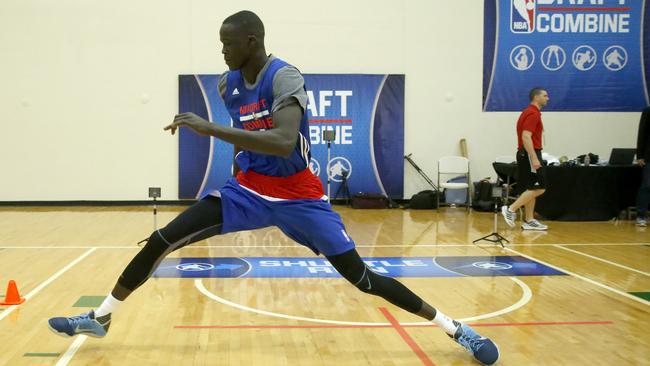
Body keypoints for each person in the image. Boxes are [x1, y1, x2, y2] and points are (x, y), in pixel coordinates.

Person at [47, 11, 499, 365]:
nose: (221, 51)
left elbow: (283, 142)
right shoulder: (228, 84)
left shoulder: (285, 78)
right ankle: (101, 315)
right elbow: (245, 133)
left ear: (252, 42)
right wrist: (235, 171)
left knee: (363, 279)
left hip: (299, 196)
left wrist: (209, 130)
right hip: (247, 191)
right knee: (164, 238)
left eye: (227, 43)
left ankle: (457, 328)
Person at [501, 87, 549, 231]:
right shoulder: (533, 114)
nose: (548, 98)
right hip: (529, 153)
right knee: (540, 187)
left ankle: (529, 220)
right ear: (536, 97)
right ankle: (511, 209)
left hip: (526, 153)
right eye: (545, 96)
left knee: (531, 187)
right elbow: (526, 136)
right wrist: (534, 158)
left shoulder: (529, 112)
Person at [635, 106, 650, 226]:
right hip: (649, 156)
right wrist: (640, 155)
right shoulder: (648, 111)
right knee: (647, 185)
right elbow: (642, 132)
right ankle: (641, 215)